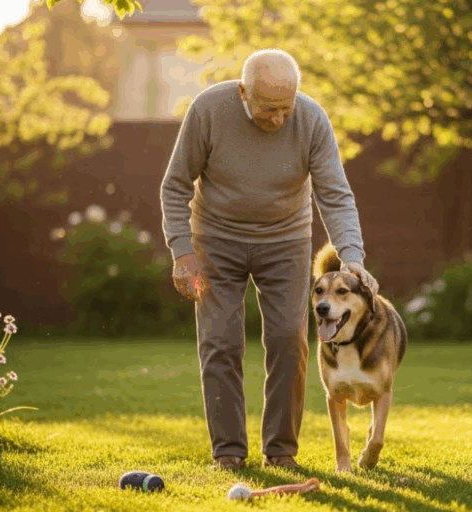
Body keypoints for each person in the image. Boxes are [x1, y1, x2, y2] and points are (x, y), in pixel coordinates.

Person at [160, 48, 378, 471]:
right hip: (216, 239)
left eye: (286, 107)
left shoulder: (311, 119)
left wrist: (352, 256)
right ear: (243, 92)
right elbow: (175, 185)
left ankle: (281, 451)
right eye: (269, 108)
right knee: (220, 341)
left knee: (287, 339)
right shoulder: (209, 110)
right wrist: (182, 252)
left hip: (285, 240)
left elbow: (335, 193)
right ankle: (228, 452)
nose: (279, 119)